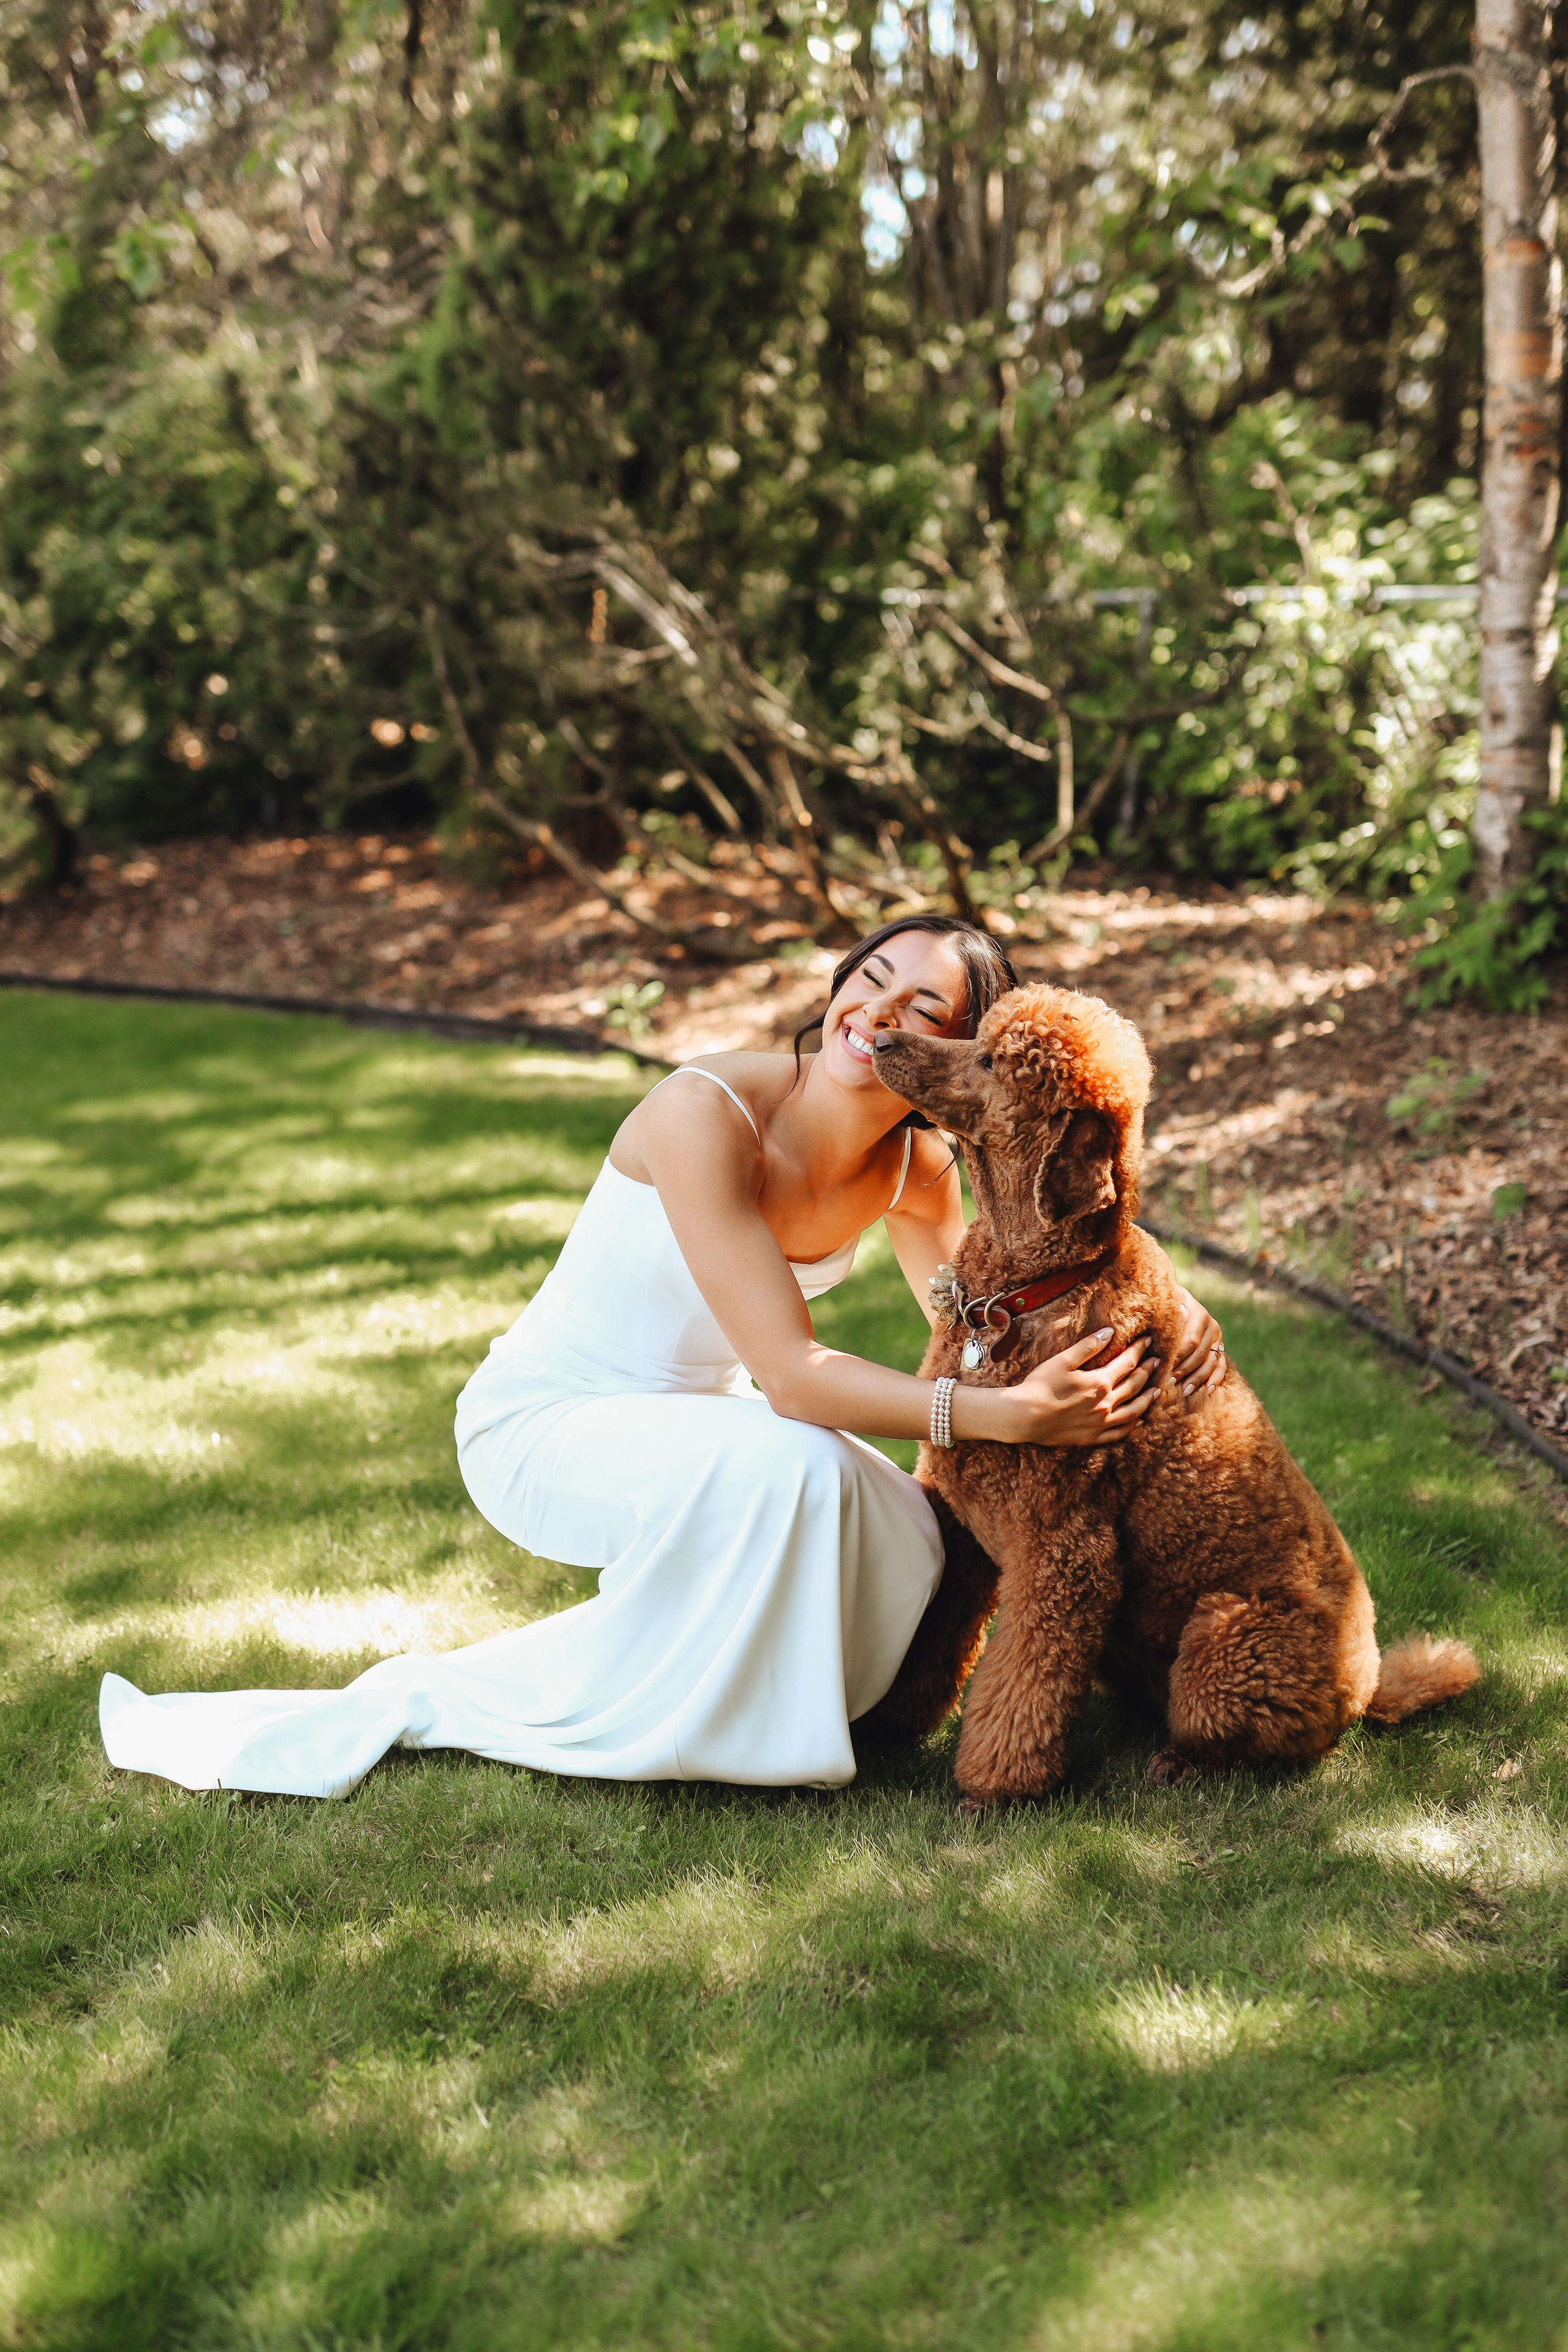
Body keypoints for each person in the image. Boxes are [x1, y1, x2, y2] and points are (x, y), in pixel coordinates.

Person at [99, 916, 1224, 1798]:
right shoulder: (706, 1112)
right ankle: (720, 1736)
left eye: (924, 1007)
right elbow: (795, 1379)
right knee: (804, 1465)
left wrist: (1147, 1323)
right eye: (871, 978)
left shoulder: (913, 1167)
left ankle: (814, 1708)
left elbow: (981, 1315)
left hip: (703, 1421)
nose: (878, 1014)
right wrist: (1001, 1417)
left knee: (912, 1530)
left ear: (953, 1053)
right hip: (548, 1425)